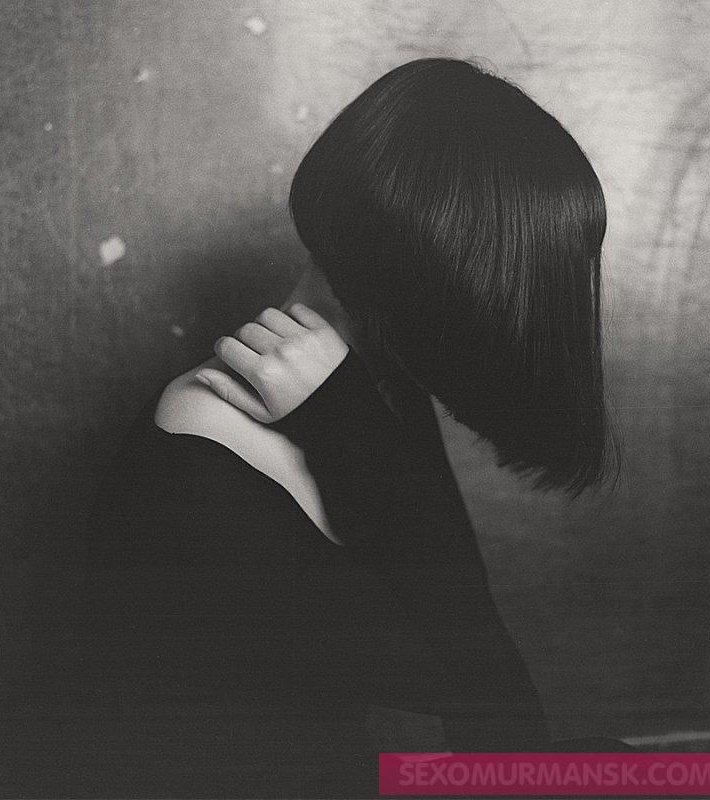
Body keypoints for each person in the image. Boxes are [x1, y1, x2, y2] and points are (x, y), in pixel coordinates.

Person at [47, 57, 621, 798]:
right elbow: (467, 681)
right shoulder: (198, 454)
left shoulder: (369, 391)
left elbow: (501, 720)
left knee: (637, 772)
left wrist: (351, 420)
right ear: (440, 271)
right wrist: (350, 427)